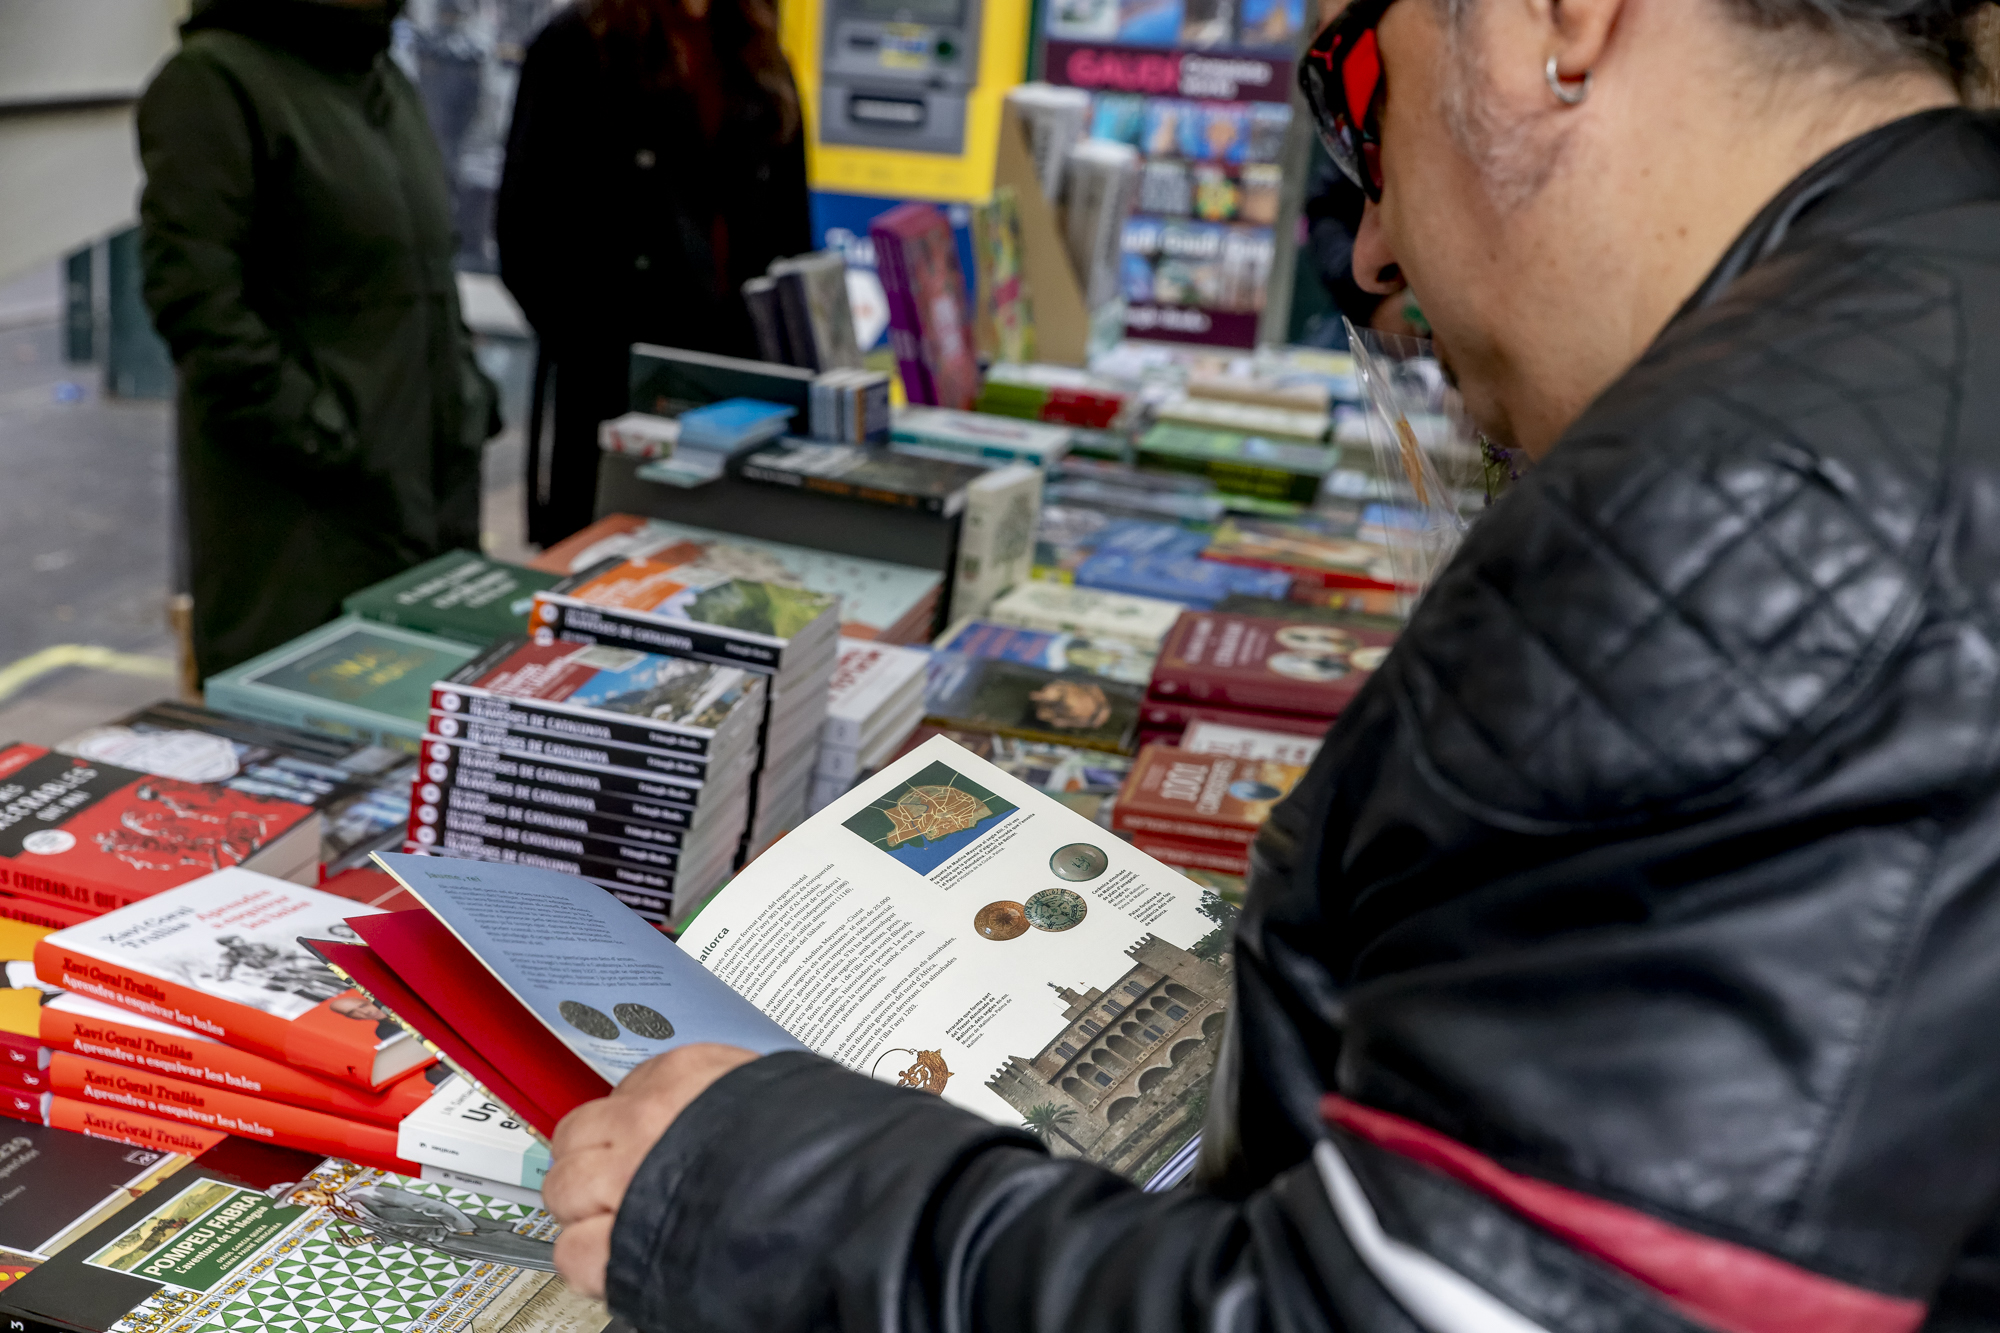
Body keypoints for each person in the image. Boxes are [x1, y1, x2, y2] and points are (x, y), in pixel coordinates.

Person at [547, 0, 2000, 1329]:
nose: (1372, 253)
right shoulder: (1907, 353)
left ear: (1560, 21)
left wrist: (755, 1188)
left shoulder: (1734, 512)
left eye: (1360, 97)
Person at [138, 0, 500, 681]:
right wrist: (325, 433)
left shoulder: (381, 76)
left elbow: (422, 275)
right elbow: (198, 304)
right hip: (303, 530)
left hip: (426, 507)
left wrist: (466, 397)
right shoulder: (215, 81)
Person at [495, 0, 811, 548]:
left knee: (726, 567)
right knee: (604, 565)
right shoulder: (581, 43)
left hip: (735, 391)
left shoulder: (754, 43)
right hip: (616, 387)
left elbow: (790, 235)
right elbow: (525, 232)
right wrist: (589, 348)